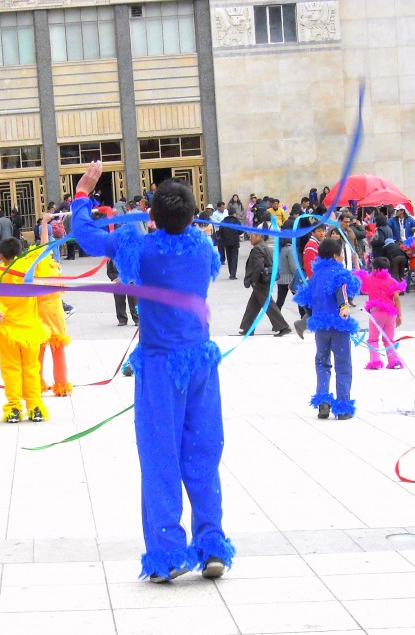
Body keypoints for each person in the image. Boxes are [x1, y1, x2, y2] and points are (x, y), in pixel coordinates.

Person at [71, 160, 235, 582]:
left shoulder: (140, 248)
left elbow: (87, 237)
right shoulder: (203, 248)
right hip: (201, 362)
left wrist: (83, 193)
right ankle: (211, 543)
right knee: (203, 453)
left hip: (161, 368)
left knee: (160, 456)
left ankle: (168, 554)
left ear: (152, 214)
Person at [0, 238, 50, 423]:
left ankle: (13, 408)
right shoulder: (29, 268)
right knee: (31, 369)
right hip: (30, 330)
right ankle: (35, 407)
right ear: (20, 252)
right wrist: (44, 224)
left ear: (1, 255)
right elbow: (44, 250)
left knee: (11, 369)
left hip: (8, 331)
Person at [293, 237, 361, 420]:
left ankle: (323, 402)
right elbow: (343, 292)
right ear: (336, 255)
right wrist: (343, 307)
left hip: (321, 328)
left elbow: (305, 299)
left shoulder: (315, 276)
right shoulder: (340, 273)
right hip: (338, 326)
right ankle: (343, 407)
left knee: (322, 363)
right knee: (343, 364)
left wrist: (313, 314)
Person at [36, 212, 72, 396]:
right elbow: (45, 245)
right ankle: (62, 386)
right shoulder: (53, 267)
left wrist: (44, 224)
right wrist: (44, 224)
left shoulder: (37, 268)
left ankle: (38, 384)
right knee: (57, 352)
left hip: (43, 315)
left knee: (39, 353)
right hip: (54, 315)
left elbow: (44, 245)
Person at [239, 229, 291, 337]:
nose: (250, 238)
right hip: (264, 280)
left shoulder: (257, 249)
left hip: (260, 281)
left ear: (259, 237)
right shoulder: (263, 246)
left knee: (269, 305)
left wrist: (253, 280)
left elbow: (258, 267)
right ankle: (248, 328)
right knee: (253, 305)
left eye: (252, 236)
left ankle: (283, 326)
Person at [355, 256, 403, 370]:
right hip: (390, 314)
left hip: (376, 314)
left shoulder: (370, 279)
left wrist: (356, 260)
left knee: (373, 339)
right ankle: (394, 361)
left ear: (375, 269)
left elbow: (358, 274)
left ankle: (375, 361)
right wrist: (399, 315)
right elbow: (396, 298)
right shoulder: (391, 281)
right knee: (389, 339)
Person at [217, 209, 242, 279]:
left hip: (226, 242)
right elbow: (240, 231)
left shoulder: (224, 221)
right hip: (235, 242)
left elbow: (220, 232)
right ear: (234, 214)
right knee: (234, 258)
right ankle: (233, 274)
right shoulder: (236, 221)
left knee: (229, 257)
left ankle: (231, 272)